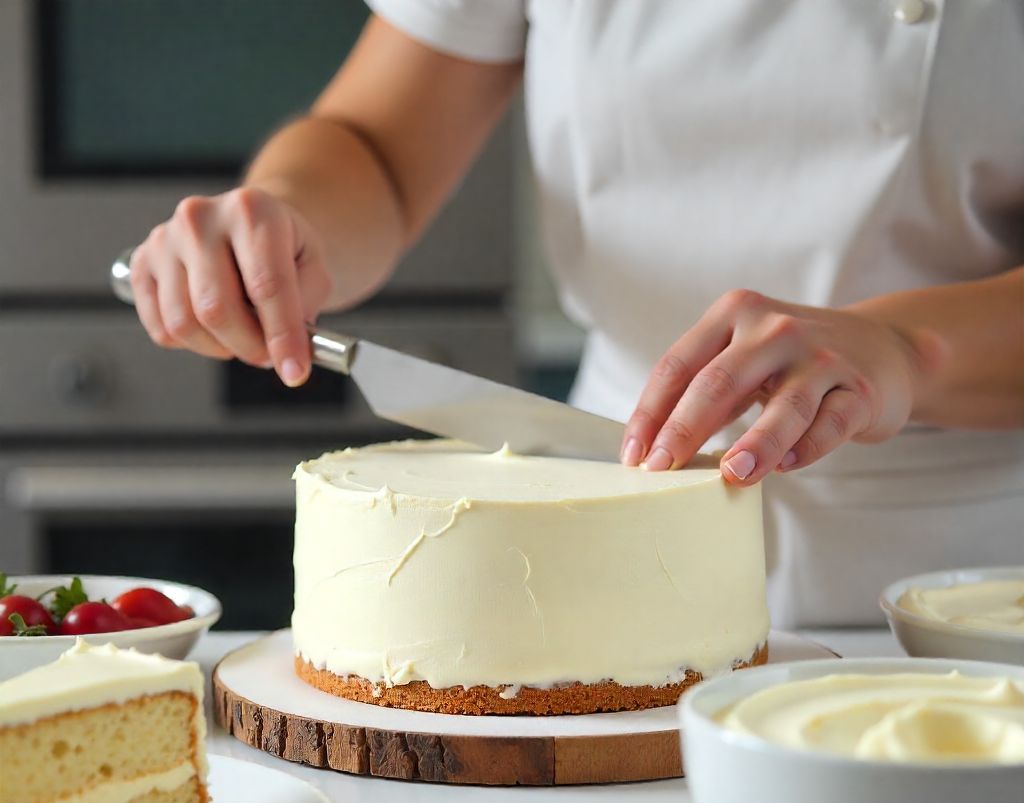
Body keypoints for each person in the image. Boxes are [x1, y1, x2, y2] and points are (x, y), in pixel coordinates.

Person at [129, 1, 1024, 628]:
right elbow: (377, 149)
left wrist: (905, 351)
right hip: (606, 505)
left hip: (967, 587)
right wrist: (287, 217)